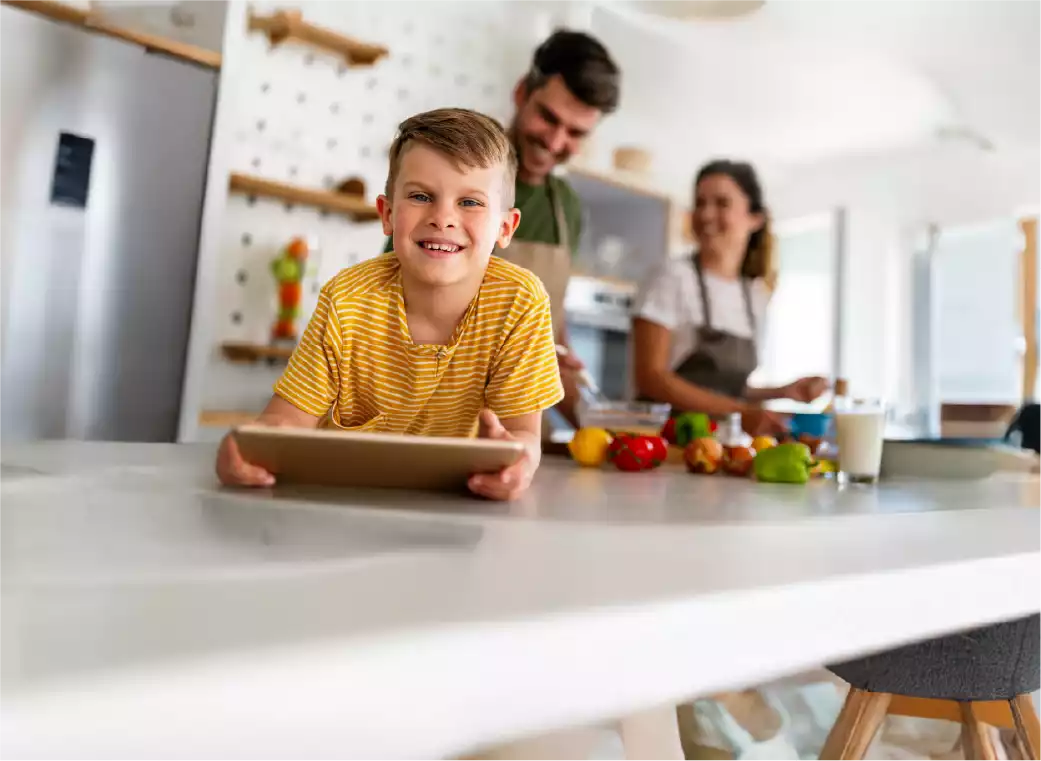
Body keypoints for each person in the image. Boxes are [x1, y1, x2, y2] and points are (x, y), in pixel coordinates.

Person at [216, 108, 564, 501]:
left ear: (505, 228)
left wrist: (516, 461)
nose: (442, 218)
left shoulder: (520, 303)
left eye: (470, 202)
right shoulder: (346, 299)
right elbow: (284, 421)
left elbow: (523, 435)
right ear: (387, 214)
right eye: (420, 196)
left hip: (458, 508)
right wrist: (249, 450)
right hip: (340, 501)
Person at [384, 29, 621, 430]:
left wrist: (600, 427)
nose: (555, 140)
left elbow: (549, 331)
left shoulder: (565, 206)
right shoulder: (453, 172)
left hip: (517, 431)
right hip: (430, 420)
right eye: (548, 117)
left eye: (576, 133)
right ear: (521, 93)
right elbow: (390, 309)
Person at [630, 160, 828, 436]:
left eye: (722, 203)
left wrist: (784, 391)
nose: (706, 214)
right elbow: (651, 377)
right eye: (700, 203)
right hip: (660, 442)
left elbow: (727, 388)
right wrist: (740, 412)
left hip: (718, 446)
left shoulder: (754, 296)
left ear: (754, 218)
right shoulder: (671, 277)